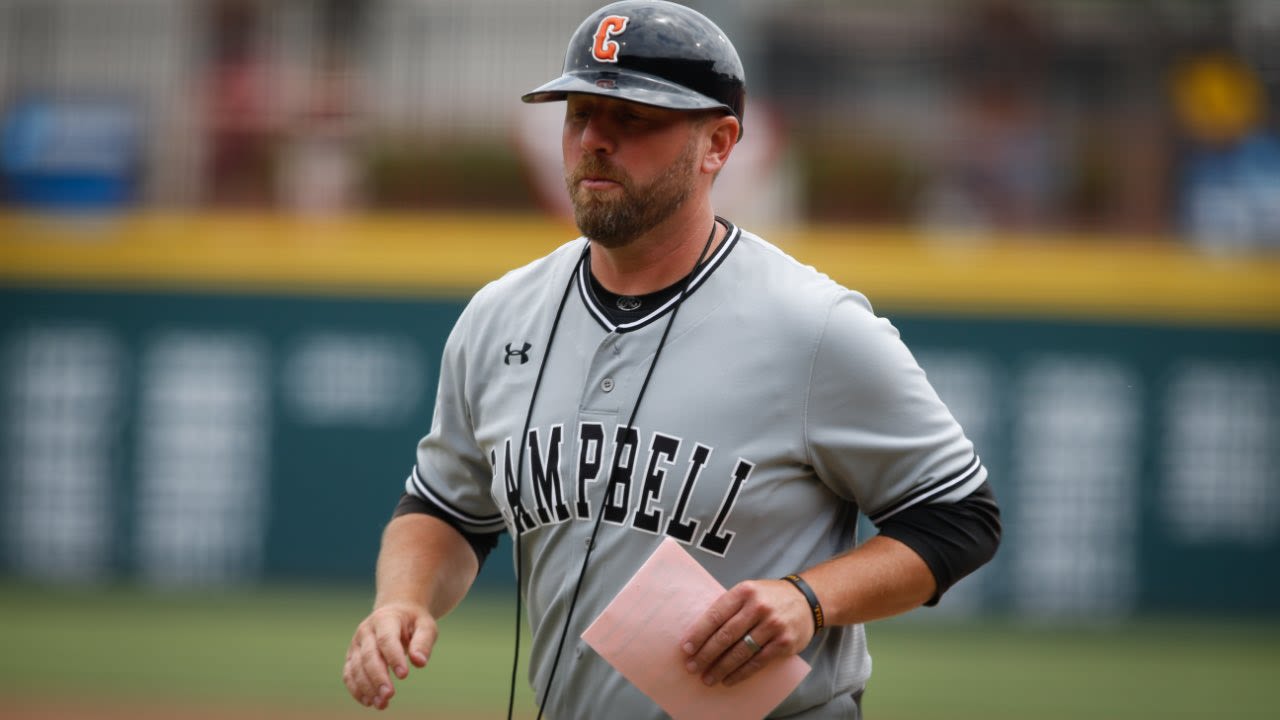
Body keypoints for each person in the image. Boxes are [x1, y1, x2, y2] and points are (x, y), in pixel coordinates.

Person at [342, 2, 1001, 718]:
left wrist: (810, 599)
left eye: (633, 118)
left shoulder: (812, 327)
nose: (595, 139)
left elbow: (959, 518)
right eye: (579, 113)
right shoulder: (500, 316)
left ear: (717, 143)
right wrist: (402, 600)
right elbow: (445, 508)